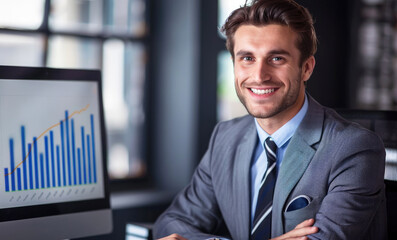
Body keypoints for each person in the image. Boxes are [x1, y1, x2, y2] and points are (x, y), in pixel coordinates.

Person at [153, 0, 387, 239]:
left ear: (306, 68)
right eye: (247, 58)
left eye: (276, 59)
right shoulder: (225, 138)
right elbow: (170, 224)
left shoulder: (354, 148)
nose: (259, 76)